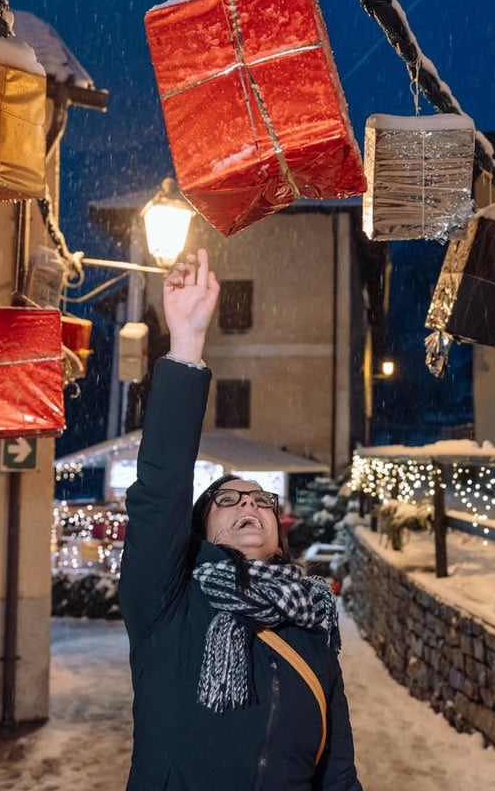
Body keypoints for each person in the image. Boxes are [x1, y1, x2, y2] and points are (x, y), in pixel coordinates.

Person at [119, 248, 361, 790]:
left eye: (260, 500)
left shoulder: (313, 619)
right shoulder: (167, 602)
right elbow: (160, 493)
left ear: (279, 531)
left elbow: (337, 767)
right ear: (200, 529)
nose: (250, 505)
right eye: (229, 500)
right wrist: (185, 346)